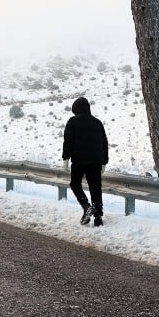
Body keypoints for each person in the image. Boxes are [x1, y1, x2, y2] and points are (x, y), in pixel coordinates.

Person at [62, 96, 109, 226]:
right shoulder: (97, 123)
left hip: (79, 160)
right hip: (96, 161)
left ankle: (86, 205)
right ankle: (98, 217)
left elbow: (68, 141)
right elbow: (104, 143)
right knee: (95, 187)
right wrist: (104, 161)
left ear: (76, 109)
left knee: (75, 184)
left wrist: (65, 158)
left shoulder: (72, 121)